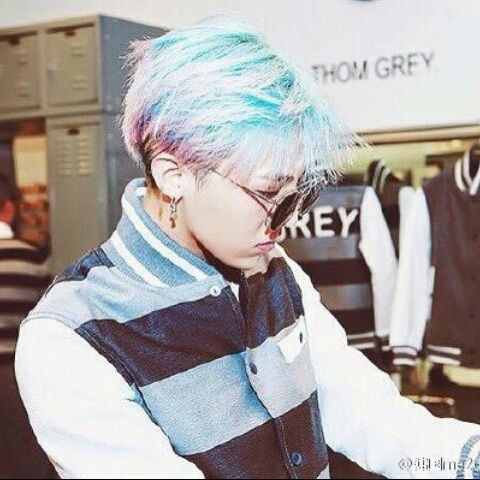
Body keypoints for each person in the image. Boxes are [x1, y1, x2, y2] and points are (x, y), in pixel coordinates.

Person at [14, 16, 480, 479]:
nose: (287, 220)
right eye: (268, 193)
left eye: (296, 195)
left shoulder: (275, 270)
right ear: (173, 175)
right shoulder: (70, 340)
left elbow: (364, 412)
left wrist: (465, 459)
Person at [0, 174, 55, 478]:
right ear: (9, 208)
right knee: (25, 458)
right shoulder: (32, 259)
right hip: (16, 375)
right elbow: (48, 318)